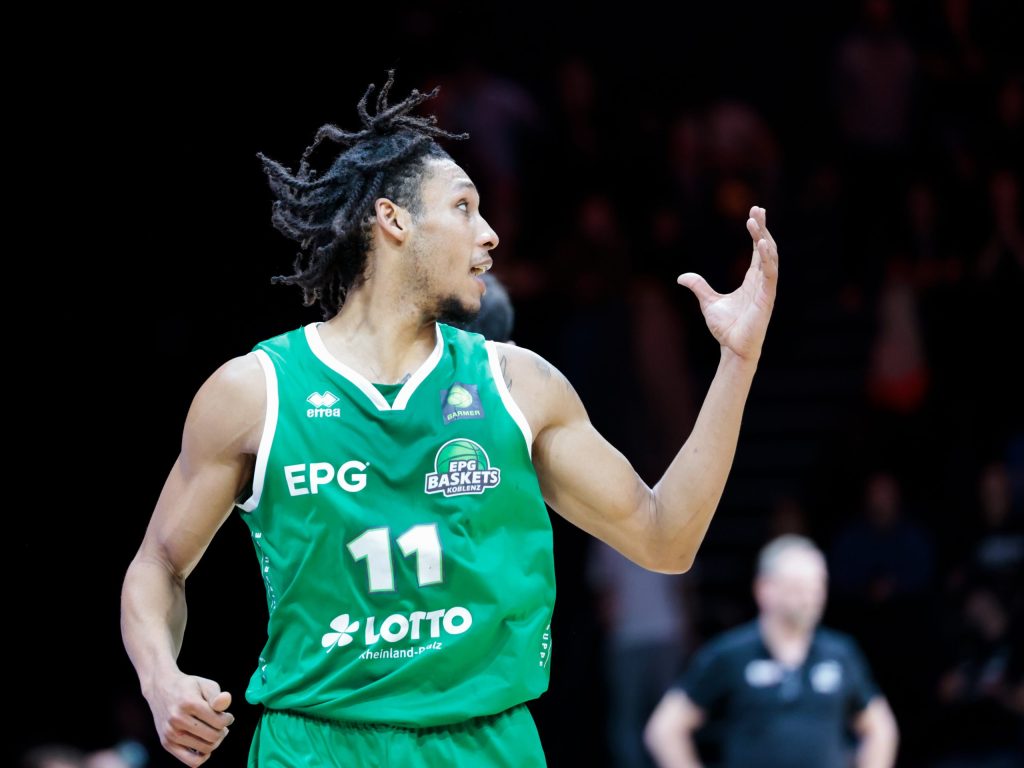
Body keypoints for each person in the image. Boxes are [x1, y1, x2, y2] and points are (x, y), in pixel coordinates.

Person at [120, 69, 780, 767]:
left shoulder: (519, 385)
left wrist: (738, 361)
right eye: (464, 207)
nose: (490, 235)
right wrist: (161, 680)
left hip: (485, 743)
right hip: (314, 745)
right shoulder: (255, 392)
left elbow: (665, 540)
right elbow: (158, 564)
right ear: (393, 219)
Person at [644, 535, 899, 768]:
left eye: (817, 585)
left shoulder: (840, 654)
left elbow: (881, 728)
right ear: (765, 589)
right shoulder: (731, 654)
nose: (809, 597)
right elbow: (664, 729)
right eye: (798, 586)